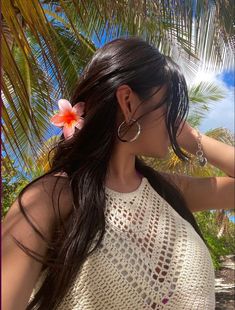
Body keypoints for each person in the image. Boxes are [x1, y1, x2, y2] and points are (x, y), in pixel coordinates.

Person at [2, 36, 234, 310]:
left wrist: (193, 137)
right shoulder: (49, 199)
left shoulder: (168, 190)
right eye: (169, 106)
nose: (176, 121)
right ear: (128, 102)